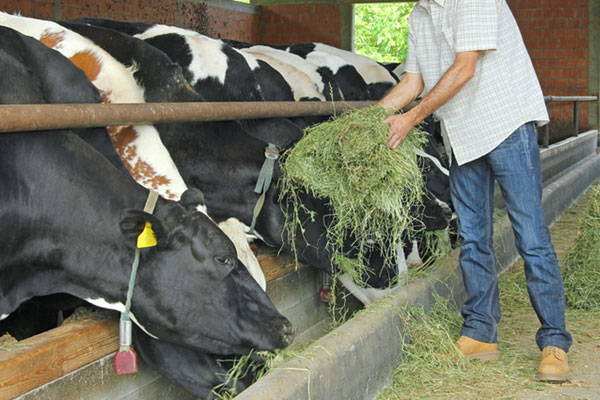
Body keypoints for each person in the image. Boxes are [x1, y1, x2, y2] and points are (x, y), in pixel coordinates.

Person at [376, 0, 572, 381]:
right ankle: (481, 332)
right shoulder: (420, 14)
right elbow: (413, 82)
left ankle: (554, 342)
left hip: (506, 125)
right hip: (463, 136)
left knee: (531, 236)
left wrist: (410, 119)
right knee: (471, 237)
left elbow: (465, 67)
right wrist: (370, 119)